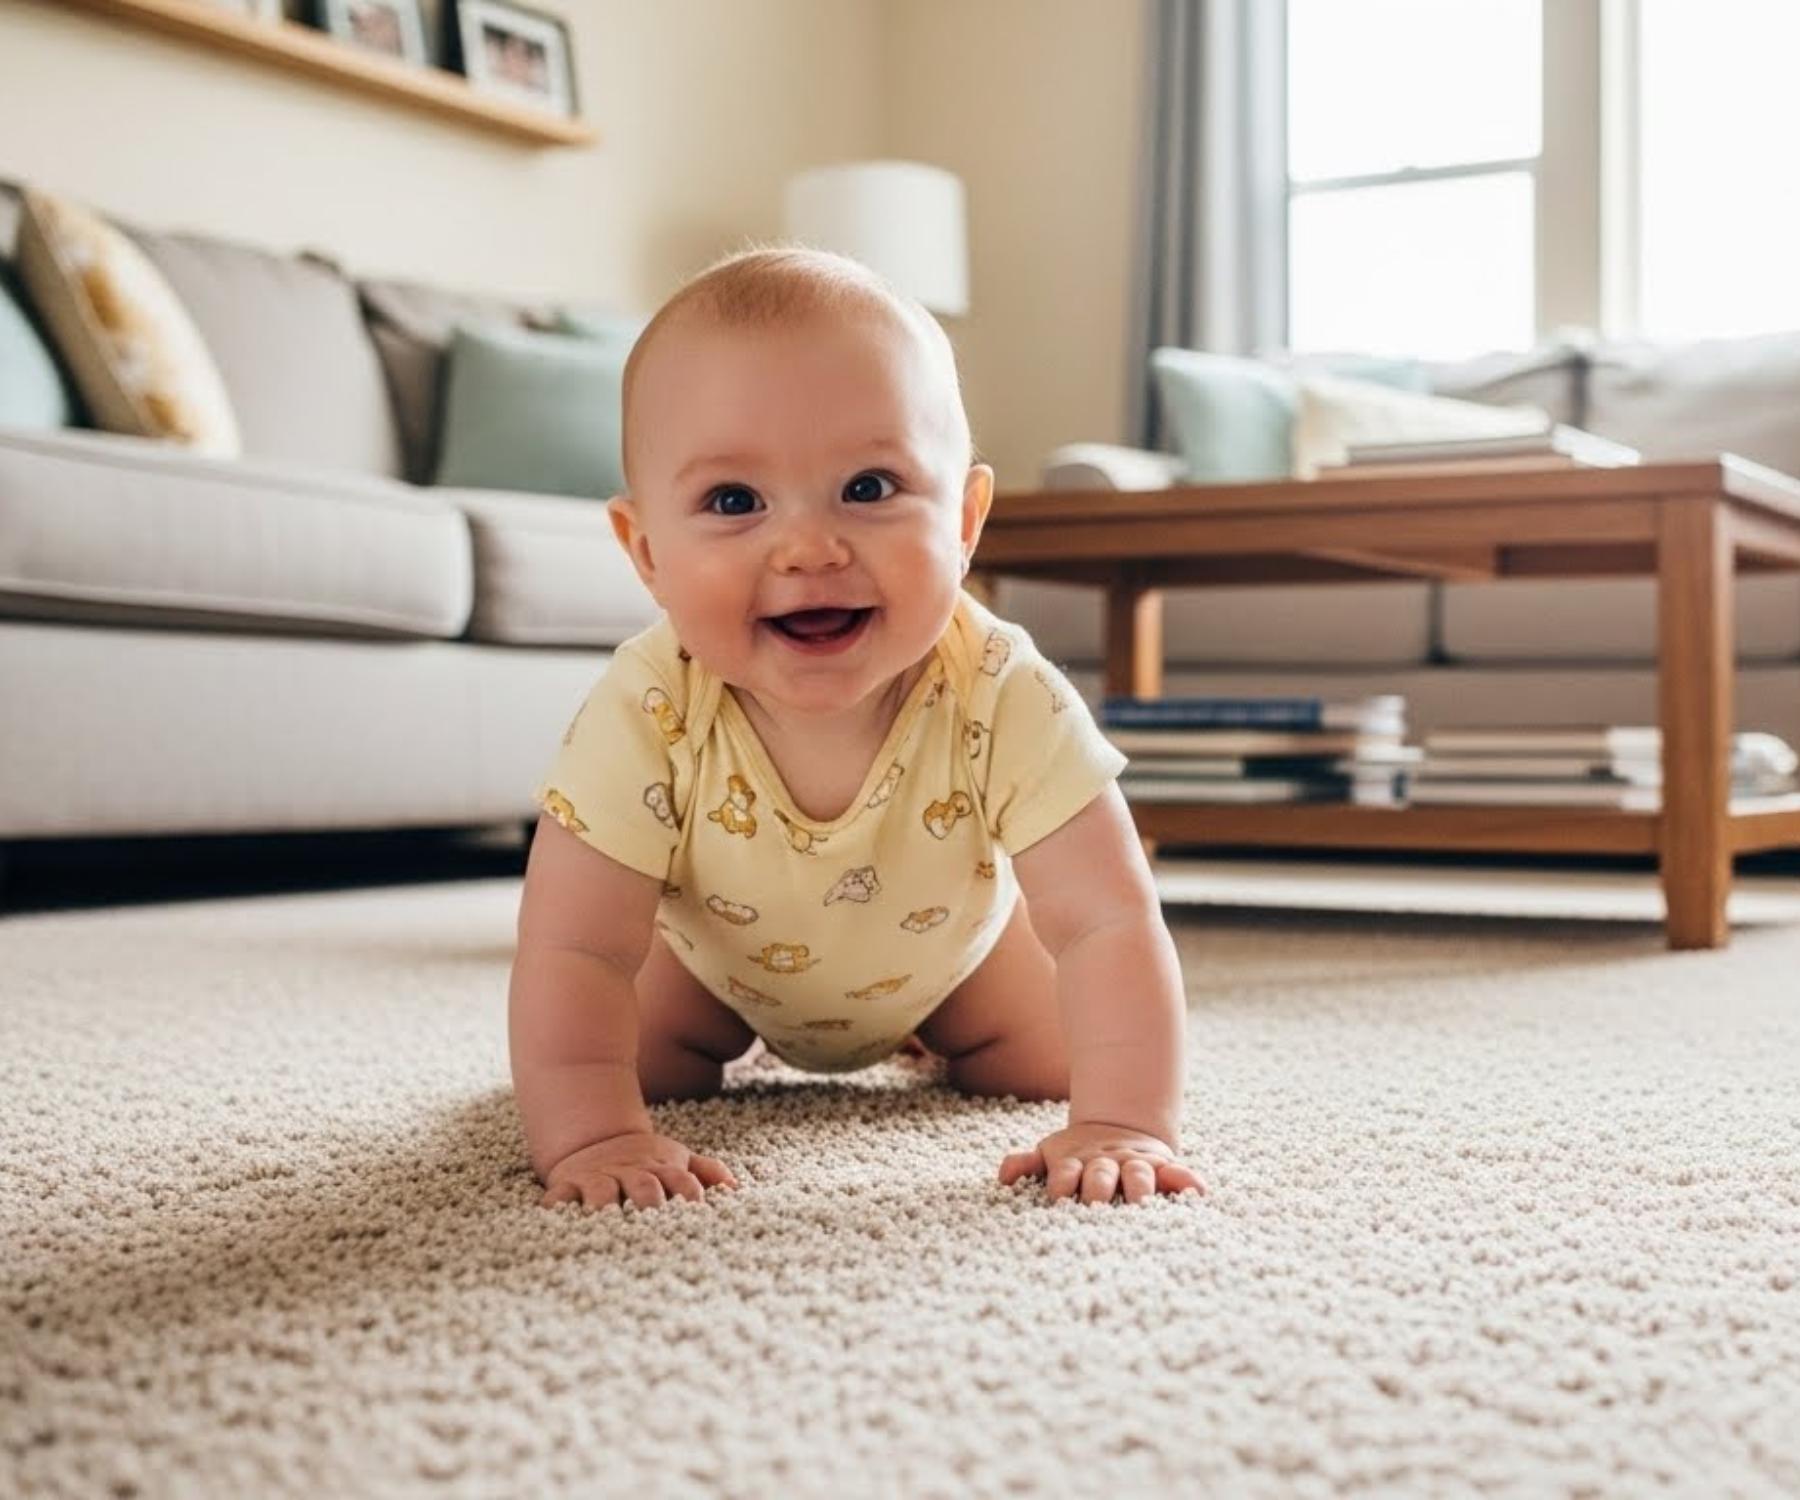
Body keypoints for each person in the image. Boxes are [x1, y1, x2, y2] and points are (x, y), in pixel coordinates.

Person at [508, 246, 1203, 1211]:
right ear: (647, 553)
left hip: (956, 960)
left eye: (870, 488)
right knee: (623, 1064)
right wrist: (595, 1136)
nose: (809, 548)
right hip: (712, 970)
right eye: (734, 501)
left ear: (964, 522)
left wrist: (1124, 1120)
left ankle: (937, 1030)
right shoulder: (649, 706)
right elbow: (574, 947)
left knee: (1051, 1060)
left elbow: (1108, 919)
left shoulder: (1002, 688)